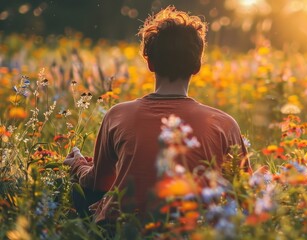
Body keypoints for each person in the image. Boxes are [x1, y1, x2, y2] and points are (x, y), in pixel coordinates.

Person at [63, 6, 247, 226]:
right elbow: (244, 194)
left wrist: (77, 166)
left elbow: (99, 183)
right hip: (193, 229)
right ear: (197, 66)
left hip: (122, 229)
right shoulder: (223, 124)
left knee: (82, 194)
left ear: (149, 63)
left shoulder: (118, 115)